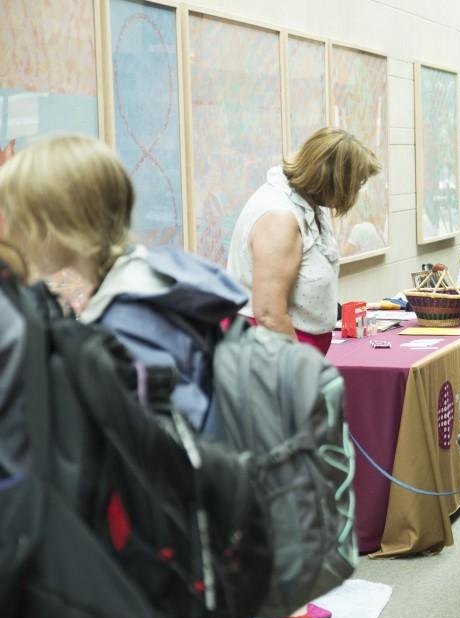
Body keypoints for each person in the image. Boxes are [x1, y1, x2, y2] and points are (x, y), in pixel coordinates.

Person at [0, 135, 246, 434]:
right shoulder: (157, 274)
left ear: (60, 223)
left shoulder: (124, 324)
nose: (16, 232)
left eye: (24, 216)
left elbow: (174, 457)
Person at [228, 127, 380, 356]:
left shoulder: (306, 202)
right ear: (334, 180)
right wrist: (305, 374)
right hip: (272, 358)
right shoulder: (279, 218)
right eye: (355, 185)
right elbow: (269, 315)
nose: (354, 195)